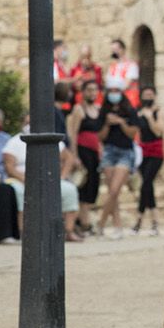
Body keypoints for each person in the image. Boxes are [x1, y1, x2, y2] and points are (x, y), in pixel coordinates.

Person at [93, 84, 139, 239]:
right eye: (111, 91)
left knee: (114, 190)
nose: (113, 94)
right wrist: (107, 123)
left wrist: (120, 122)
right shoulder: (103, 112)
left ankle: (100, 224)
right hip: (109, 152)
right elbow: (100, 137)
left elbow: (132, 134)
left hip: (125, 152)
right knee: (114, 193)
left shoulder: (130, 111)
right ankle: (117, 226)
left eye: (116, 91)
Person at [67, 79, 105, 234]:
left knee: (93, 186)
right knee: (84, 185)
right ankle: (84, 222)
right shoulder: (78, 109)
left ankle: (85, 219)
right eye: (89, 90)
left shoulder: (98, 109)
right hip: (83, 151)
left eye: (95, 90)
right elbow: (73, 133)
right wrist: (74, 155)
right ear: (83, 92)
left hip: (95, 152)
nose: (92, 93)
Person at [132, 86, 164, 236]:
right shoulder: (138, 112)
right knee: (147, 185)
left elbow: (158, 131)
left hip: (156, 152)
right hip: (142, 152)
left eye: (150, 94)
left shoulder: (158, 112)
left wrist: (150, 116)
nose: (148, 96)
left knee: (146, 183)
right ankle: (152, 221)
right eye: (145, 94)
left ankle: (141, 220)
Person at [105, 38, 141, 107]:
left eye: (116, 49)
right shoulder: (112, 67)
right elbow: (108, 84)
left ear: (123, 49)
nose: (114, 52)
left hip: (130, 102)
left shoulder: (132, 65)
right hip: (116, 103)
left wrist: (113, 86)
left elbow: (126, 85)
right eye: (113, 50)